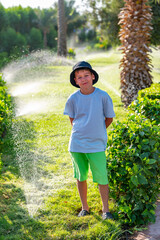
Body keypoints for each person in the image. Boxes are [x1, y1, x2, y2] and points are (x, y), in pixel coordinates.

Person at [64, 61, 115, 220]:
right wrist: (83, 132)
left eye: (86, 75)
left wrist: (97, 131)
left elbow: (109, 118)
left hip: (97, 145)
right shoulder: (73, 98)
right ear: (75, 81)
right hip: (77, 144)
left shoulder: (102, 96)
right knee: (81, 177)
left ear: (93, 76)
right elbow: (73, 120)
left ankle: (105, 209)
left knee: (102, 178)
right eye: (79, 77)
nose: (83, 79)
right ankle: (85, 207)